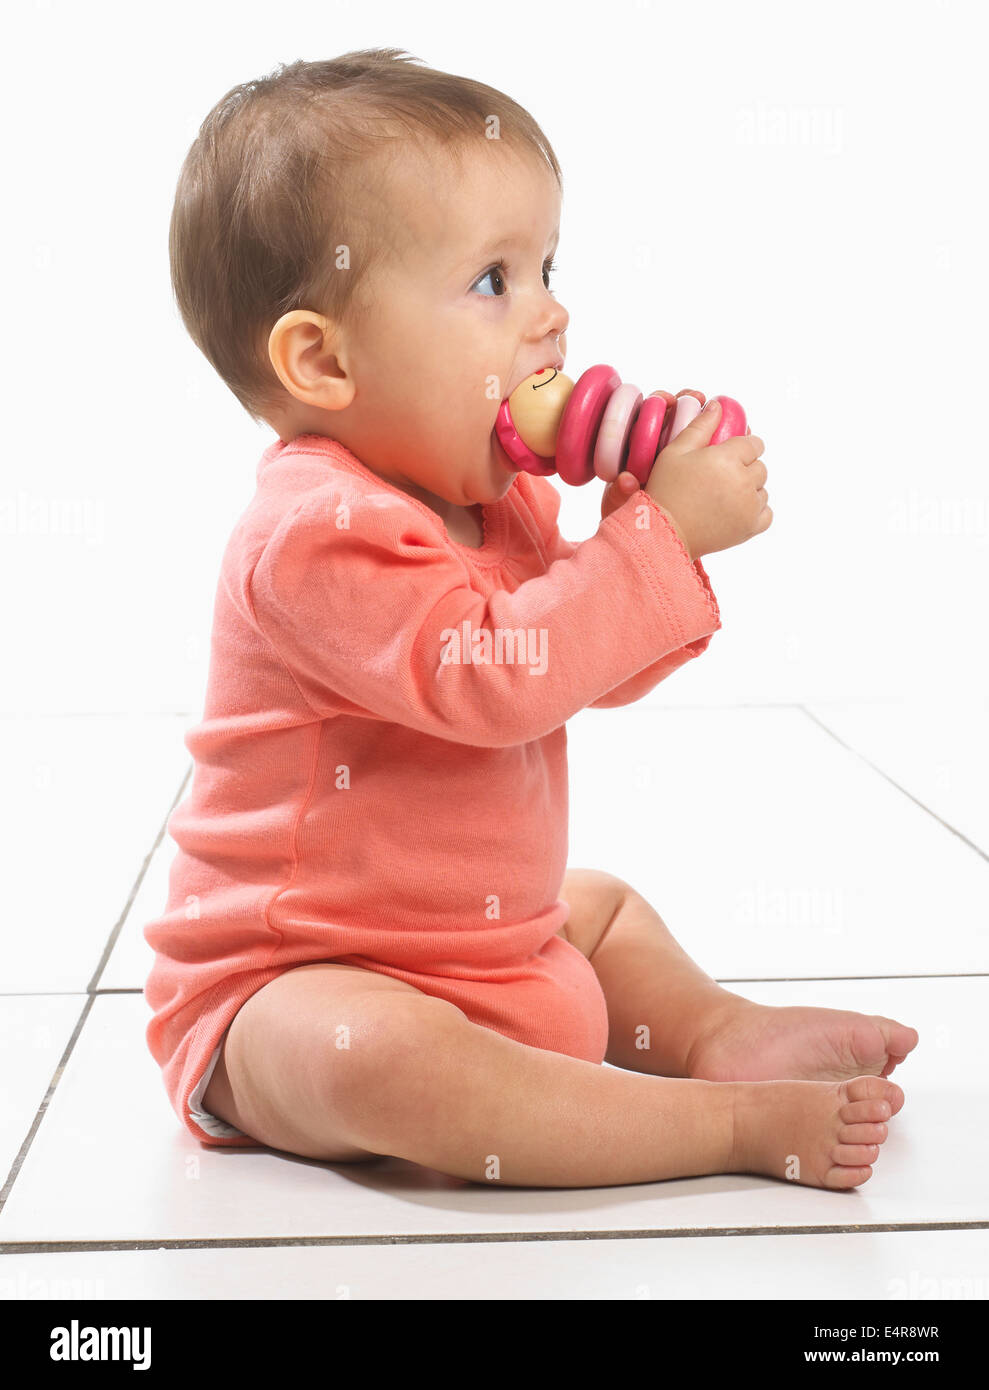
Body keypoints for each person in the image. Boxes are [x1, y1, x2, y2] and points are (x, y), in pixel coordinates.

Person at [144, 48, 916, 1189]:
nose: (551, 316)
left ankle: (704, 1031)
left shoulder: (489, 501)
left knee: (599, 911)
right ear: (322, 357)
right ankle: (726, 1131)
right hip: (295, 984)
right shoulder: (314, 533)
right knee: (391, 1057)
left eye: (546, 264)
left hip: (486, 946)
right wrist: (651, 549)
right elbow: (496, 676)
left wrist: (635, 533)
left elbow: (578, 664)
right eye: (492, 282)